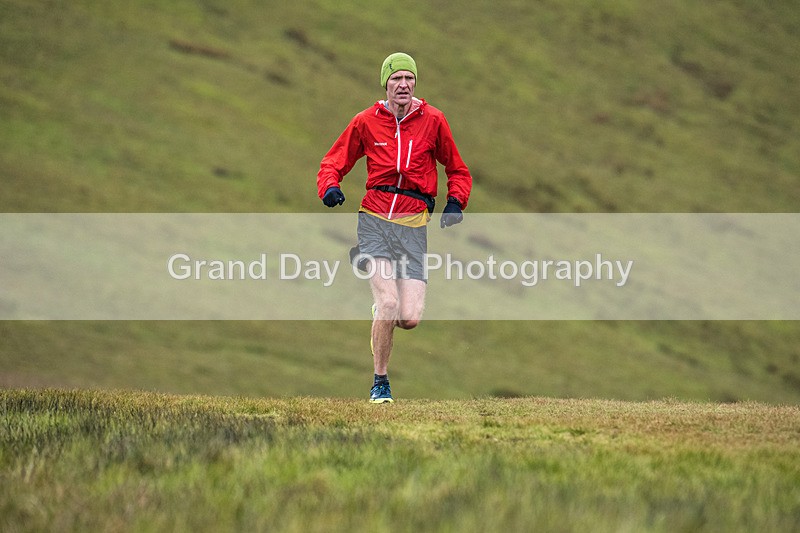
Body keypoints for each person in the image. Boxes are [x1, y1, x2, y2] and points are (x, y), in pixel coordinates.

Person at [317, 52, 472, 403]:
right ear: (385, 84)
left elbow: (458, 169)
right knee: (388, 302)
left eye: (409, 78)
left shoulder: (433, 120)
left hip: (414, 225)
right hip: (374, 220)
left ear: (415, 83)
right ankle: (380, 384)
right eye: (396, 79)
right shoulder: (366, 121)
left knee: (409, 318)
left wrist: (455, 201)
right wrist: (329, 186)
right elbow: (334, 160)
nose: (403, 85)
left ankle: (381, 313)